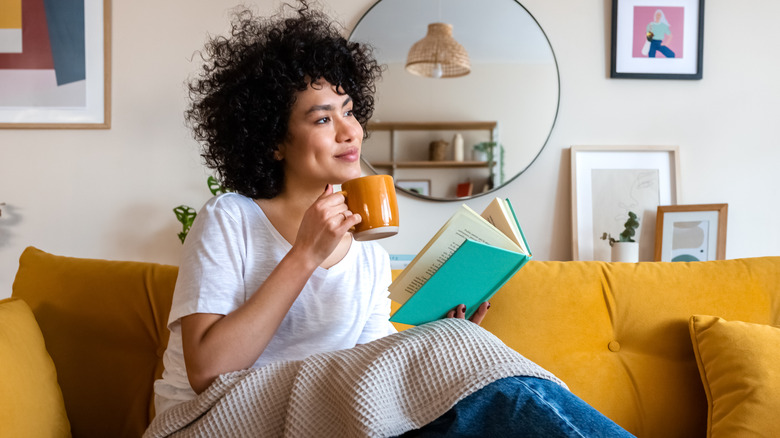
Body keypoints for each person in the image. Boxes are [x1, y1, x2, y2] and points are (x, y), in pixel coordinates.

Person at [152, 2, 634, 436]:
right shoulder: (230, 219)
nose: (349, 131)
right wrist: (304, 255)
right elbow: (208, 372)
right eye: (322, 120)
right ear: (273, 140)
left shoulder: (368, 257)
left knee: (471, 377)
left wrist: (446, 331)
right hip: (212, 419)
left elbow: (373, 387)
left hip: (312, 420)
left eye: (349, 111)